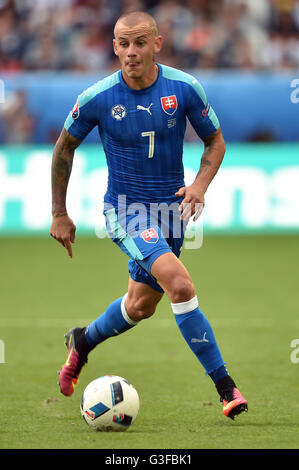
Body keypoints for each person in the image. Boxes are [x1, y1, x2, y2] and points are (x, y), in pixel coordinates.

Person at [50, 11, 248, 420]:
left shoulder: (184, 88)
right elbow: (63, 148)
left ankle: (82, 341)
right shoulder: (98, 98)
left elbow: (214, 140)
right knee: (179, 284)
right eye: (123, 43)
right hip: (125, 211)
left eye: (140, 42)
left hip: (171, 212)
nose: (131, 52)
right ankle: (226, 388)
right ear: (115, 47)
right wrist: (59, 213)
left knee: (140, 306)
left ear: (157, 44)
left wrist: (198, 186)